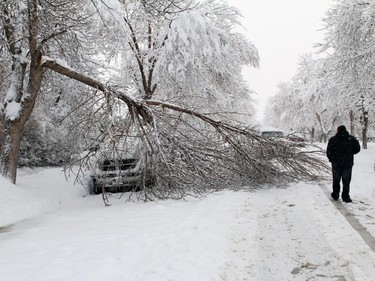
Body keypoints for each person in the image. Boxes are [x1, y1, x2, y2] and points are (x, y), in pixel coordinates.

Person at [326, 125, 361, 203]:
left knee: (336, 179)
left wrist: (331, 159)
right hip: (347, 163)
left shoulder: (333, 140)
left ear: (337, 130)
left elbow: (328, 151)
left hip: (336, 163)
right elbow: (357, 149)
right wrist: (350, 153)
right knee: (346, 180)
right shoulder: (351, 139)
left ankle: (335, 194)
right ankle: (345, 196)